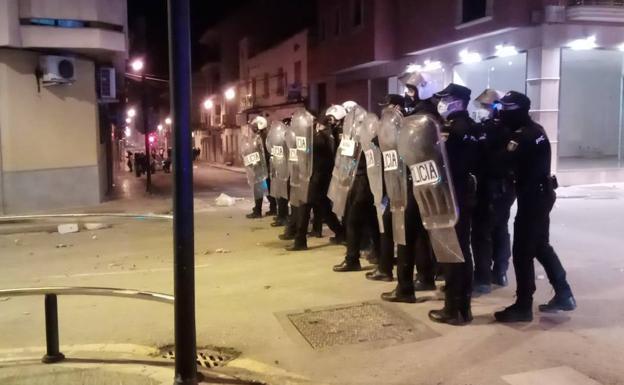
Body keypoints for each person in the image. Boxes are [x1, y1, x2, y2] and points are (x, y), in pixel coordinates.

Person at [494, 91, 576, 323]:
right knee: (540, 245)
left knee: (522, 252)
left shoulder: (523, 137)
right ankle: (564, 292)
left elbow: (500, 162)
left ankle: (523, 306)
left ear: (517, 110)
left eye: (505, 109)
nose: (501, 113)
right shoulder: (535, 130)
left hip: (533, 197)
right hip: (541, 194)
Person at [428, 84, 478, 325]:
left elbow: (446, 163)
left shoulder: (454, 129)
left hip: (453, 197)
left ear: (457, 101)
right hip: (462, 196)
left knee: (453, 253)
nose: (441, 103)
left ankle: (455, 309)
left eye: (445, 99)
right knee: (461, 251)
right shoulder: (470, 127)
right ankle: (461, 307)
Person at [470, 89, 516, 294]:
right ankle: (500, 272)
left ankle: (482, 278)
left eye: (488, 107)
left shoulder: (493, 129)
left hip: (492, 186)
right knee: (500, 228)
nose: (484, 111)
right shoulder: (512, 129)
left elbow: (485, 158)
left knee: (482, 232)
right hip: (506, 187)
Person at [287, 108, 346, 251]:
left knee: (305, 205)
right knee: (323, 207)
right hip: (314, 175)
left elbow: (319, 150)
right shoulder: (320, 135)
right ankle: (341, 233)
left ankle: (300, 240)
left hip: (319, 176)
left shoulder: (325, 136)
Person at [333, 104, 381, 272]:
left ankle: (352, 259)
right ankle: (381, 256)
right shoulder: (352, 134)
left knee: (353, 221)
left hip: (363, 181)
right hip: (358, 180)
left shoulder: (366, 132)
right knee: (371, 220)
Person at [366, 94, 405, 283]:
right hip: (388, 182)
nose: (384, 110)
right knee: (386, 226)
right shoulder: (385, 126)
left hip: (402, 182)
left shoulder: (404, 124)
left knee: (396, 229)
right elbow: (375, 141)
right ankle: (385, 267)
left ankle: (388, 268)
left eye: (388, 106)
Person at [246, 116, 278, 219]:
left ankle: (258, 211)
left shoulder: (260, 138)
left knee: (259, 189)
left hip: (262, 167)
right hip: (266, 167)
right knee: (267, 189)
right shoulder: (266, 135)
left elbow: (262, 153)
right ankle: (273, 208)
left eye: (254, 126)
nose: (252, 128)